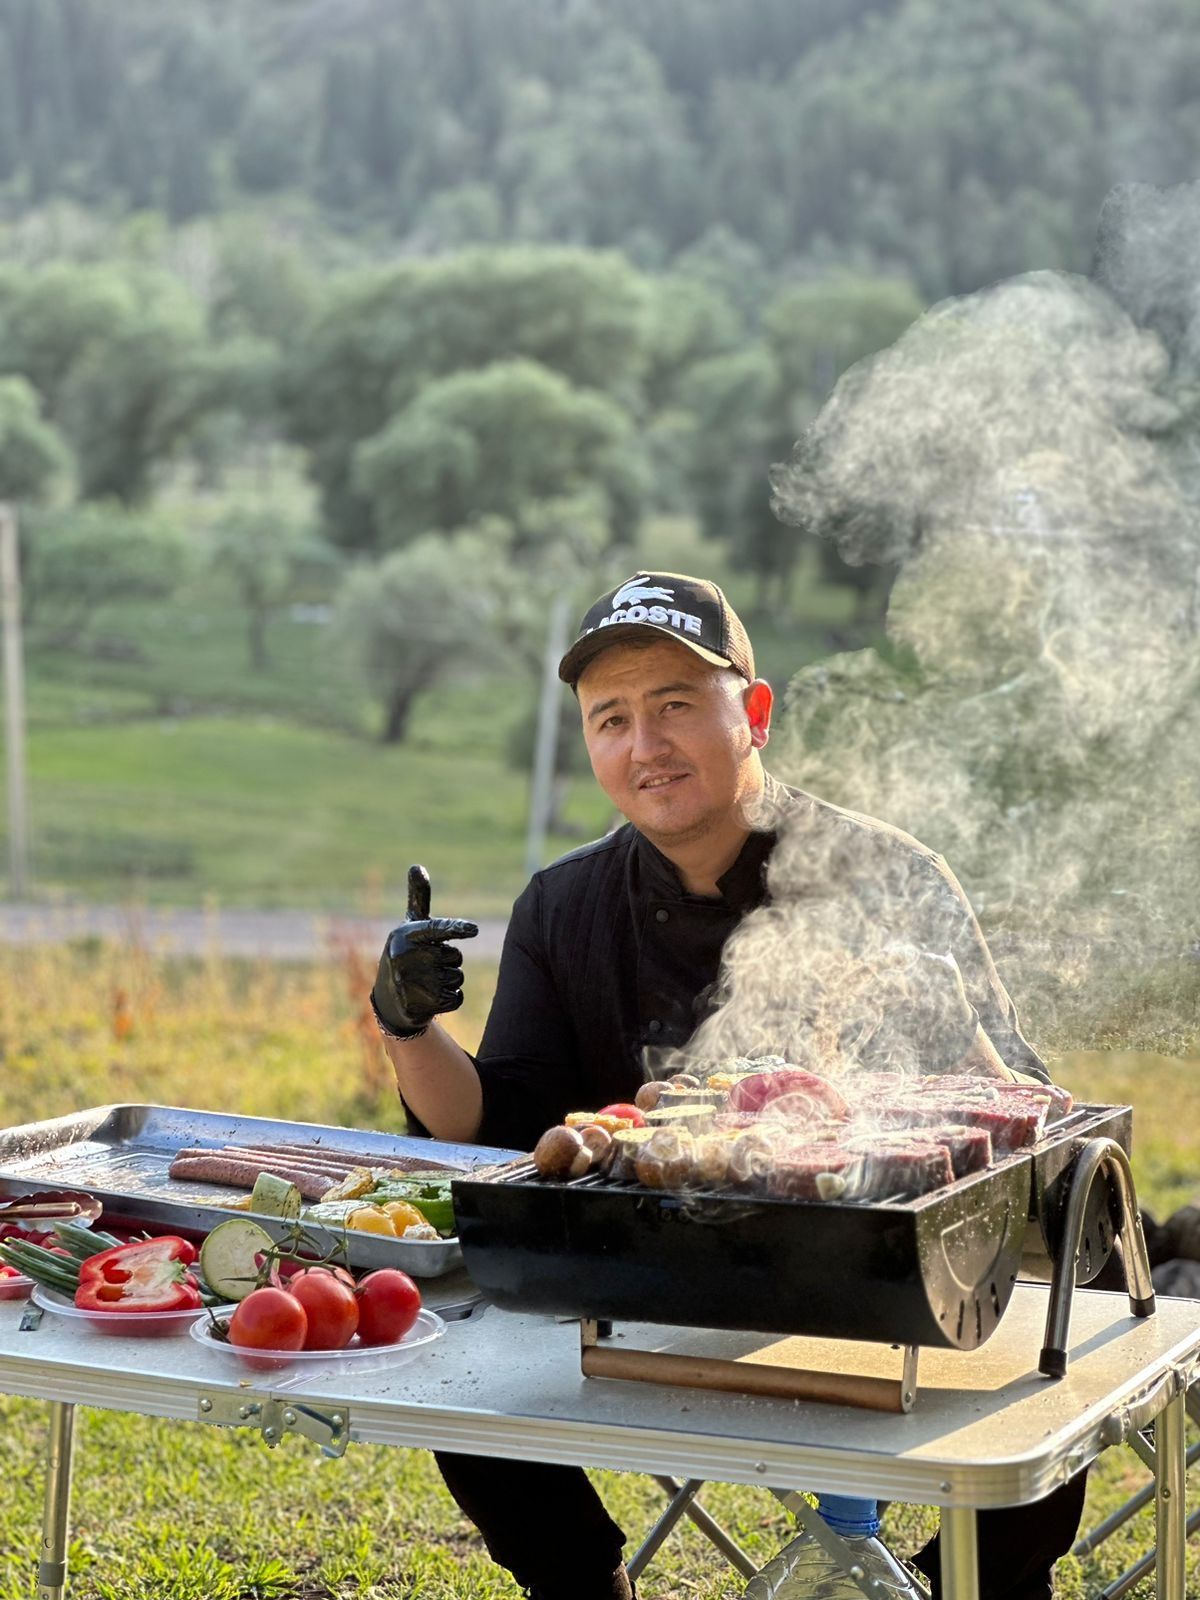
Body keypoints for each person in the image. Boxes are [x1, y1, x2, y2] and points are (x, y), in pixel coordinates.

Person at [369, 572, 1085, 1600]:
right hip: (648, 1284)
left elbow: (1018, 1120)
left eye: (673, 705)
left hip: (880, 1283)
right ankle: (579, 1585)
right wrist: (409, 1026)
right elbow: (491, 1126)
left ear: (753, 712)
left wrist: (954, 1032)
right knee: (457, 1381)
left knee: (1047, 1403)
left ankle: (952, 1588)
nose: (644, 744)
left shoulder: (887, 873)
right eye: (611, 718)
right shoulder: (565, 903)